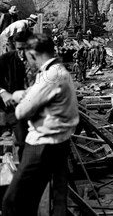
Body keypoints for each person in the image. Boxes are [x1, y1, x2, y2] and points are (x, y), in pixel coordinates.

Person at [2, 33, 79, 216]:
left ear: (33, 54)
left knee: (11, 202)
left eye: (28, 57)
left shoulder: (49, 77)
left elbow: (21, 112)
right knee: (30, 200)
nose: (28, 62)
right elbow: (40, 95)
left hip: (41, 146)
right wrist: (28, 94)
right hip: (56, 143)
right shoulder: (59, 71)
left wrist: (19, 97)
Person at [0, 30, 35, 161]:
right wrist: (3, 93)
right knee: (24, 141)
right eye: (19, 49)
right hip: (16, 109)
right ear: (15, 46)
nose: (23, 53)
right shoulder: (6, 59)